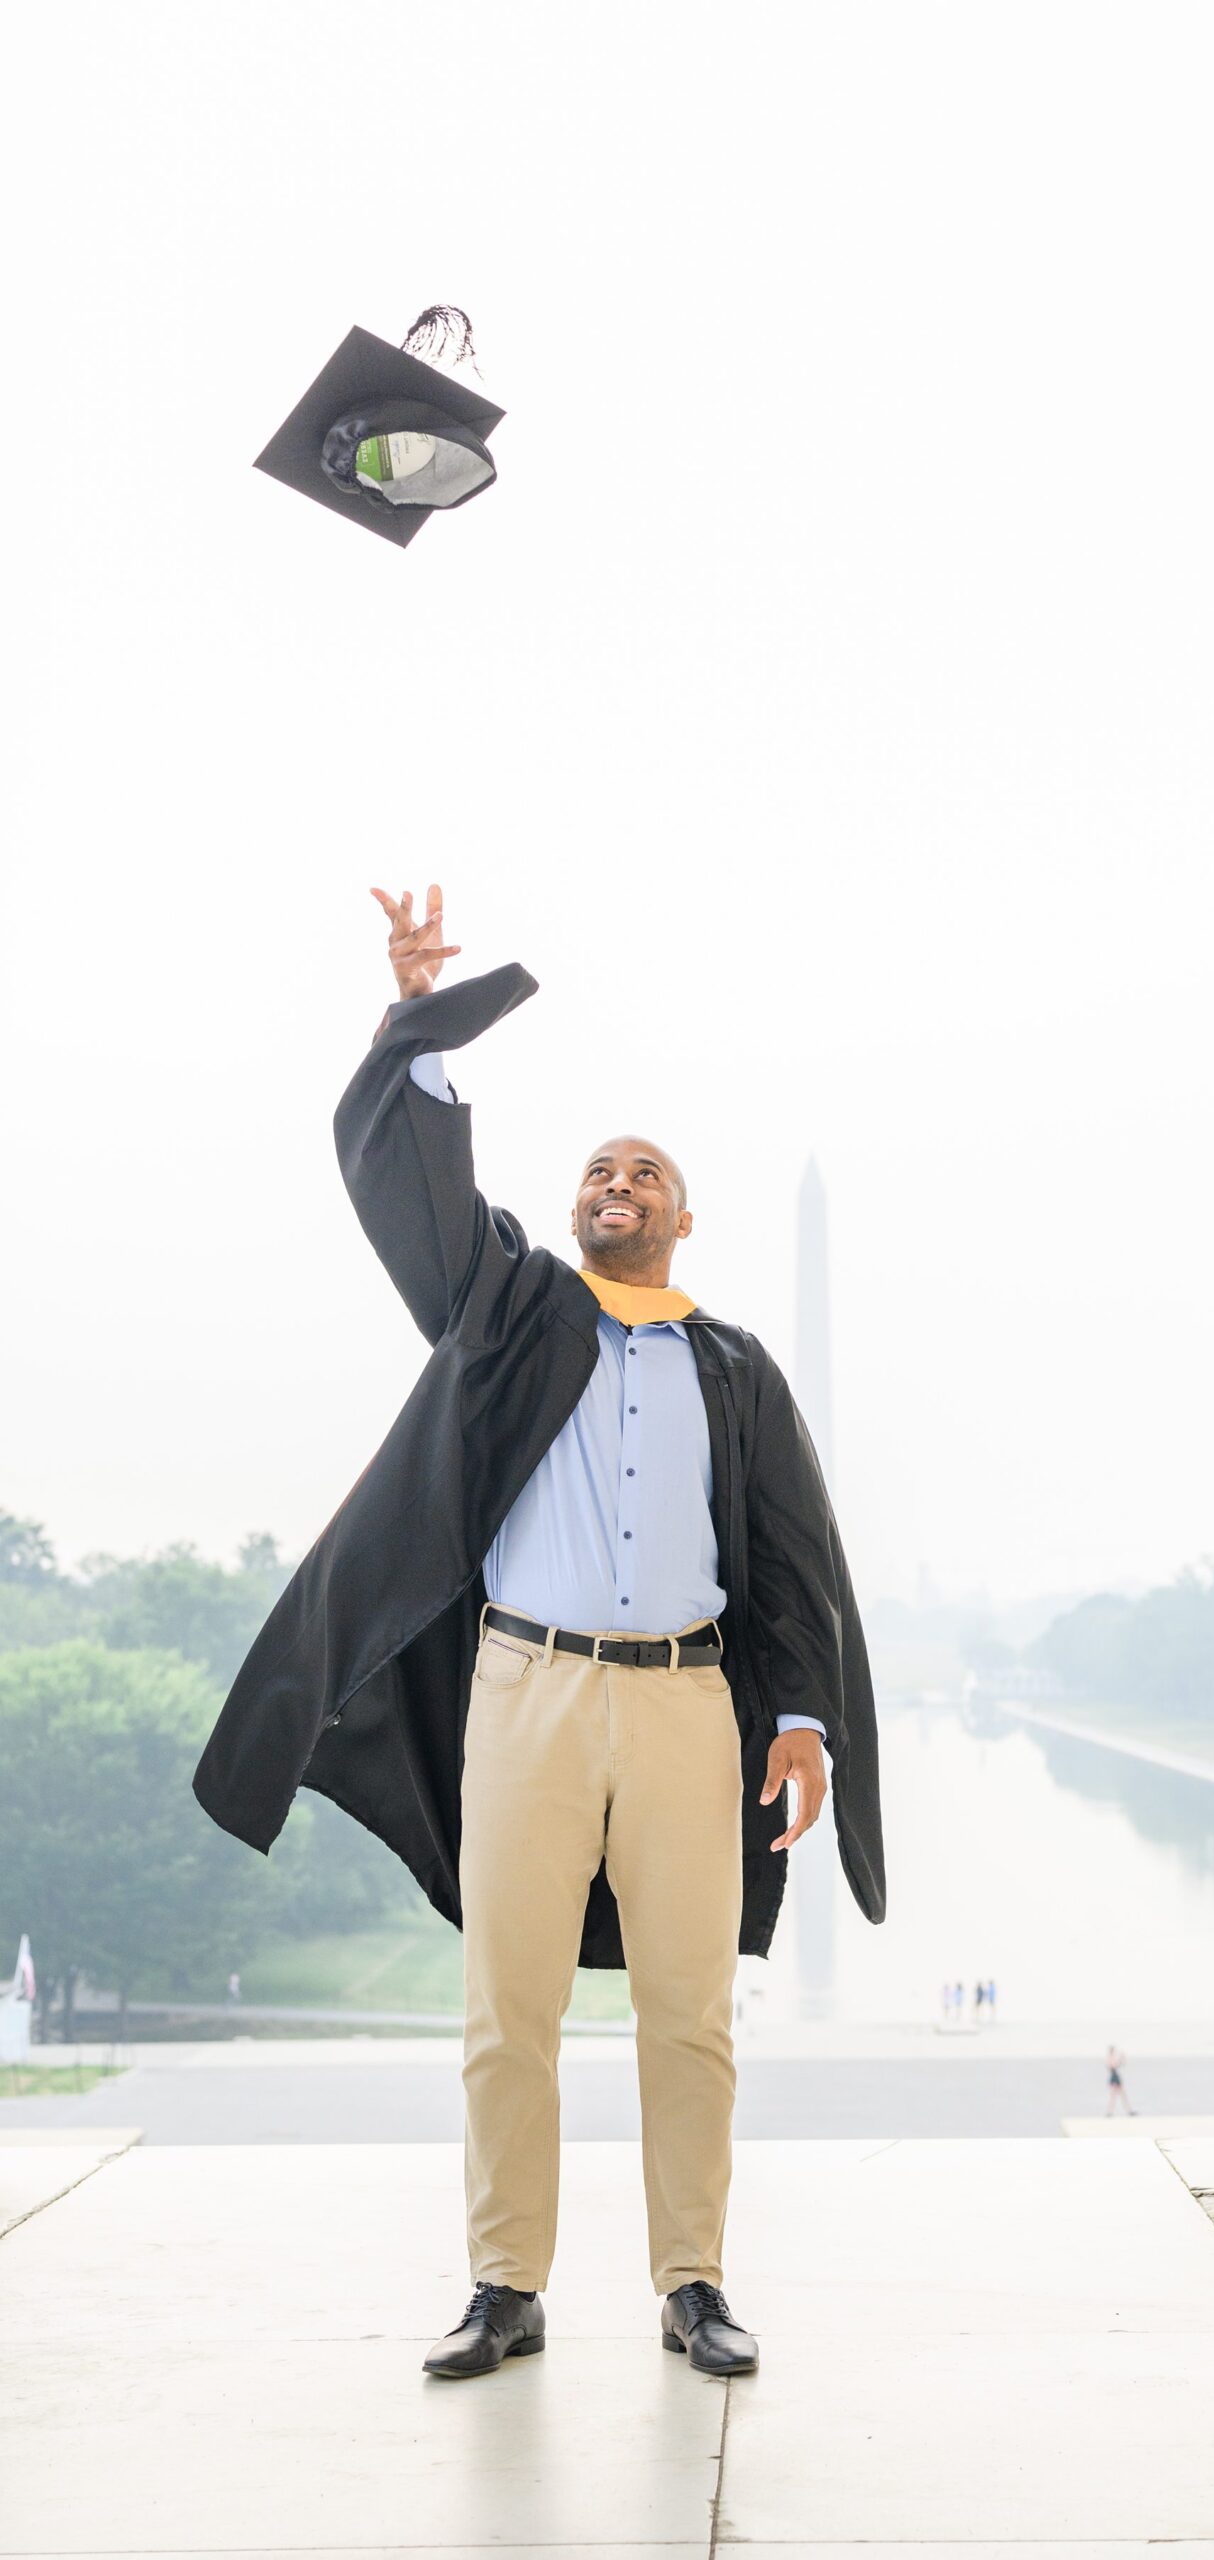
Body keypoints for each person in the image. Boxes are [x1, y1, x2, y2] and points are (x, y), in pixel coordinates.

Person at [192, 886, 885, 2382]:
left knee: (687, 2016)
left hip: (688, 1711)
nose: (614, 1181)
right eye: (595, 1169)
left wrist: (802, 1719)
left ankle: (691, 2282)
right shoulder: (506, 1313)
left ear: (682, 1217)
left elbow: (781, 1568)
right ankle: (504, 2287)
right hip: (526, 1695)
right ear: (576, 1211)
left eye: (644, 1171)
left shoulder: (733, 1367)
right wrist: (423, 1030)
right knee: (508, 2010)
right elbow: (423, 1200)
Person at [1105, 2043, 1133, 2116]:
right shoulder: (1110, 2058)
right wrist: (1120, 2059)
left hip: (1115, 2076)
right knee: (1115, 2096)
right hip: (1114, 2077)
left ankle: (1128, 2110)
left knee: (1121, 2095)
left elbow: (1119, 2064)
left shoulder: (1111, 2057)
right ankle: (1110, 2112)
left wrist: (1121, 2059)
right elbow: (1113, 2066)